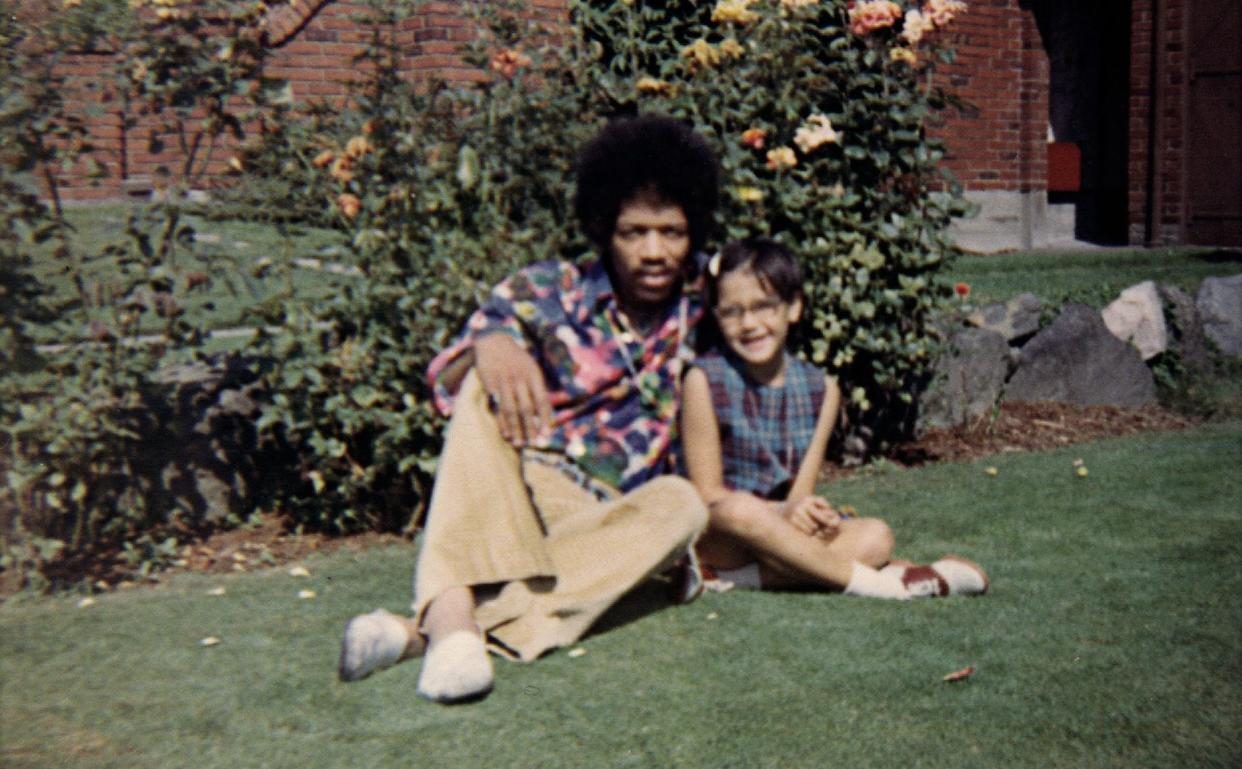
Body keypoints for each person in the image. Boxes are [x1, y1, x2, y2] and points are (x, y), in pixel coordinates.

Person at [337, 114, 720, 702]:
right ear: (602, 229)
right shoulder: (547, 289)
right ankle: (455, 622)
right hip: (515, 490)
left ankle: (437, 627)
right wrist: (489, 345)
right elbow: (448, 381)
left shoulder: (706, 298)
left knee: (684, 505)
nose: (653, 252)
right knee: (475, 387)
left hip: (609, 516)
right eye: (633, 232)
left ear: (694, 230)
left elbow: (766, 324)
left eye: (671, 232)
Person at [680, 237, 988, 598]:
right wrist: (781, 512)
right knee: (740, 510)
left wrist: (807, 514)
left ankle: (726, 578)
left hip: (780, 539)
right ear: (717, 316)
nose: (749, 323)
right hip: (721, 535)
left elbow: (800, 494)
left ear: (793, 308)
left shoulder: (822, 390)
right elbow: (708, 497)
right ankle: (884, 586)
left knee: (876, 536)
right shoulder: (704, 380)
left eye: (764, 306)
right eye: (733, 311)